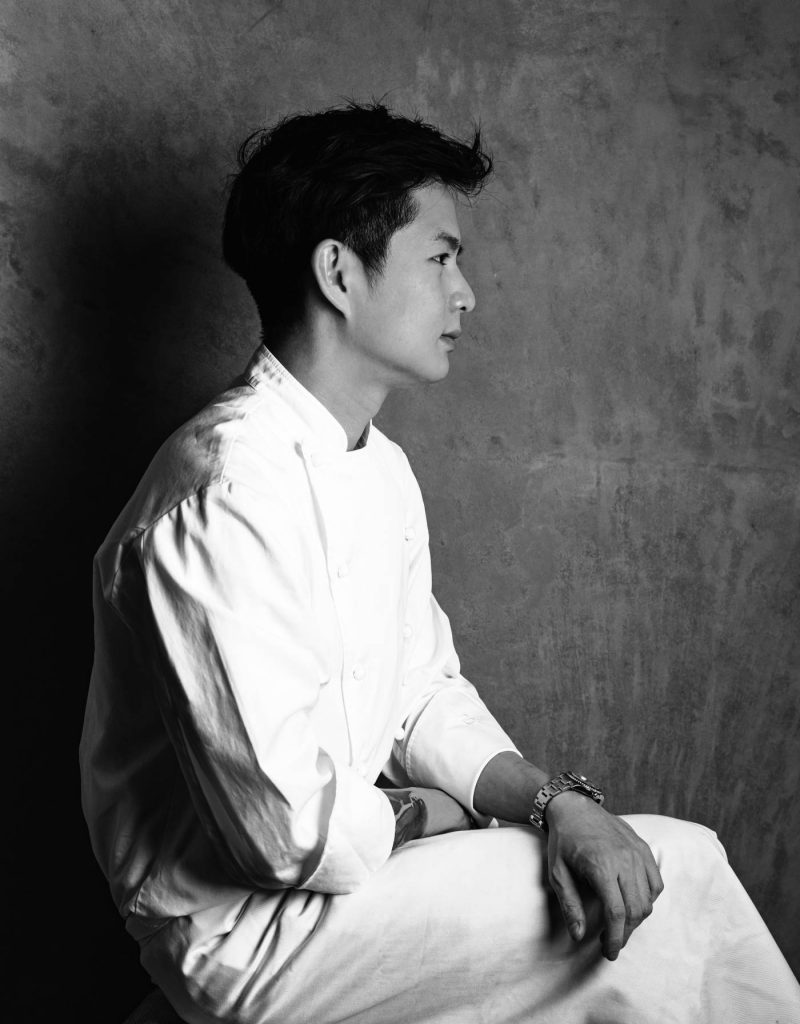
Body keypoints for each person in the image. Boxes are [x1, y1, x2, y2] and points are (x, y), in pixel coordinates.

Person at [80, 102, 800, 1024]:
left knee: (613, 876)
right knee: (680, 871)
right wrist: (431, 812)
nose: (466, 294)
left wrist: (556, 803)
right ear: (339, 273)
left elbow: (421, 694)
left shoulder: (382, 468)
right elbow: (282, 832)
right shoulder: (222, 491)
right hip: (247, 935)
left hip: (356, 885)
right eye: (440, 257)